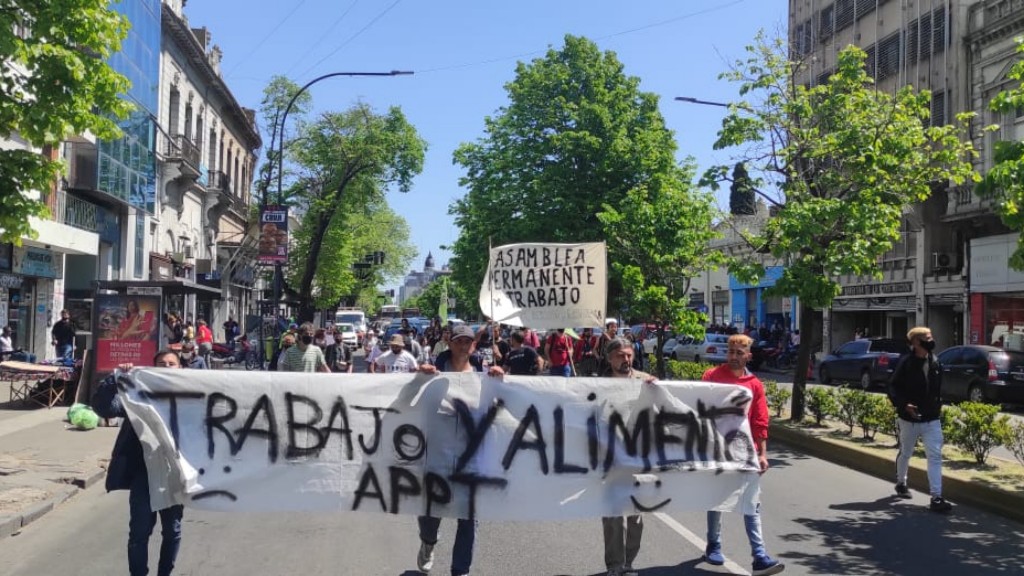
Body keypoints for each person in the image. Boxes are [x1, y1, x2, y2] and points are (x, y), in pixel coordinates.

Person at [415, 324, 505, 576]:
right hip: (437, 455)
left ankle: (460, 570)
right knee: (431, 514)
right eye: (459, 341)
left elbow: (496, 408)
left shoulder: (483, 373)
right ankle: (428, 542)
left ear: (473, 344)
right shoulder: (434, 372)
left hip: (471, 458)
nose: (464, 345)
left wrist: (498, 382)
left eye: (468, 341)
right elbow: (411, 402)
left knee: (468, 517)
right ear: (450, 343)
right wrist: (418, 378)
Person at [92, 350, 185, 576]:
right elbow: (105, 408)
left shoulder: (189, 397)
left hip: (175, 473)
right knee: (140, 533)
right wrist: (115, 379)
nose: (166, 366)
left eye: (171, 364)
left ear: (180, 368)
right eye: (161, 363)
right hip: (144, 473)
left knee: (172, 531)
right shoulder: (137, 395)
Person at [700, 334, 784, 576]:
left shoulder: (754, 384)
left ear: (749, 355)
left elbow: (760, 421)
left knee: (751, 503)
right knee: (717, 500)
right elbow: (698, 407)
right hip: (716, 450)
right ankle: (713, 544)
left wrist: (762, 453)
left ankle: (759, 556)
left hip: (745, 451)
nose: (734, 356)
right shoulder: (711, 377)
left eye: (739, 352)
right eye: (731, 351)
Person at [600, 337, 653, 576]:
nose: (626, 359)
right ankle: (615, 566)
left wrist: (658, 389)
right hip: (609, 460)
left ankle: (629, 562)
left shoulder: (645, 382)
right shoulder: (598, 386)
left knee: (635, 516)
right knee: (613, 517)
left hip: (638, 460)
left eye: (629, 354)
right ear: (610, 358)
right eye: (620, 355)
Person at [888, 326, 952, 513]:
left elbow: (937, 389)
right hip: (909, 420)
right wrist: (904, 405)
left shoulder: (935, 362)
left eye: (931, 336)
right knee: (906, 452)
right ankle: (901, 482)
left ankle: (937, 497)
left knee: (935, 456)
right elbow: (892, 387)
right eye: (926, 337)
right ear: (916, 342)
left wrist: (937, 407)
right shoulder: (906, 363)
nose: (931, 340)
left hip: (932, 419)